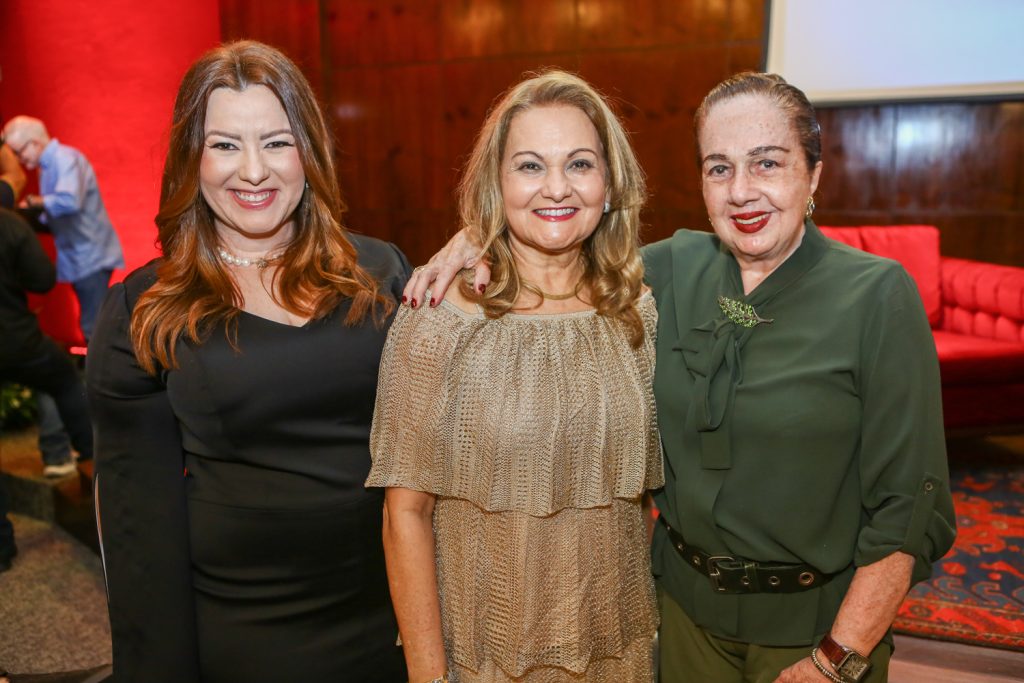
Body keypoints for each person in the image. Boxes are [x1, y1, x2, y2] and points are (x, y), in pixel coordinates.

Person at [405, 72, 956, 683]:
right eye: (719, 168)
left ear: (814, 174)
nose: (742, 192)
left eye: (767, 163)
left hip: (813, 632)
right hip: (681, 621)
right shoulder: (665, 271)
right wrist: (476, 237)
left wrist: (835, 659)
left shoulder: (877, 296)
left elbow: (909, 508)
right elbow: (561, 241)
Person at [86, 41, 407, 682]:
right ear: (192, 159)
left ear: (308, 152)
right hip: (243, 634)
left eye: (278, 142)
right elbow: (137, 532)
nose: (254, 171)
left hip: (389, 618)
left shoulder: (380, 272)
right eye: (225, 144)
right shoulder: (145, 307)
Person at [367, 70, 663, 683]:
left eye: (580, 164)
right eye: (530, 166)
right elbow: (405, 516)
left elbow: (637, 504)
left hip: (623, 650)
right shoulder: (439, 319)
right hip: (488, 659)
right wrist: (430, 675)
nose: (557, 186)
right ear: (496, 185)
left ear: (608, 183)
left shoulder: (635, 311)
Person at [2, 115, 124, 477]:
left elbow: (67, 201)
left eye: (20, 151)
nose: (21, 161)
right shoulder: (51, 163)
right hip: (80, 259)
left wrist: (34, 203)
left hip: (90, 259)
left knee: (95, 336)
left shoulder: (64, 159)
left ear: (36, 142)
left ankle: (106, 424)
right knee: (89, 338)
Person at [0, 204, 95, 573]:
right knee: (67, 381)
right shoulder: (9, 223)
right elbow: (41, 278)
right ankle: (93, 465)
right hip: (16, 340)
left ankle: (2, 548)